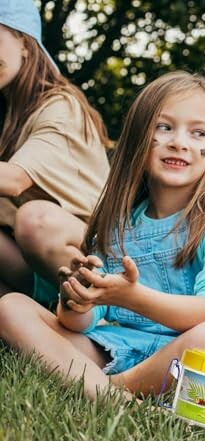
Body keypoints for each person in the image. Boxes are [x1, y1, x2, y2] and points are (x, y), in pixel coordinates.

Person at [0, 70, 205, 401]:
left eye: (198, 133)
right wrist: (76, 299)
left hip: (190, 354)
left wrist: (131, 296)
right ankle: (118, 388)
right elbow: (85, 322)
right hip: (119, 347)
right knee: (11, 308)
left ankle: (108, 391)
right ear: (138, 140)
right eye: (164, 128)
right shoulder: (118, 225)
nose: (179, 141)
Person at [0, 0, 109, 304]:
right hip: (41, 267)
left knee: (35, 221)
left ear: (24, 42)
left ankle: (109, 313)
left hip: (100, 258)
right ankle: (30, 317)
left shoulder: (61, 107)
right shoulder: (11, 116)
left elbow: (14, 180)